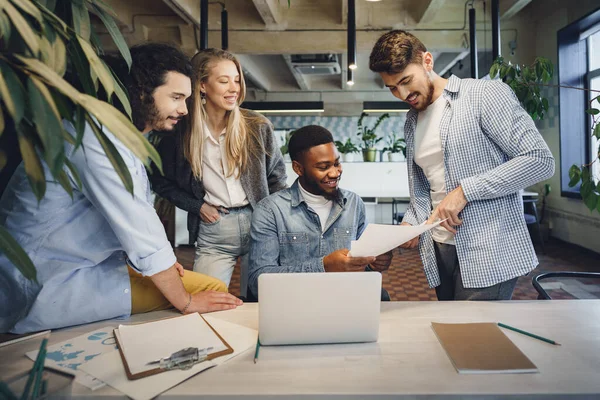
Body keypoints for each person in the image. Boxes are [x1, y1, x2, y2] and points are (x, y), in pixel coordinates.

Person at [0, 43, 242, 334]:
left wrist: (162, 262)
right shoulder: (95, 141)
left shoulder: (113, 135)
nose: (183, 109)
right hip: (47, 281)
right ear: (141, 92)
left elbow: (136, 224)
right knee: (209, 289)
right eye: (176, 97)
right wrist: (187, 302)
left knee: (198, 285)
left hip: (80, 264)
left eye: (187, 99)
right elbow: (139, 227)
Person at [369, 30, 555, 301]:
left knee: (477, 338)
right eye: (393, 87)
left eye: (406, 81)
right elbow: (423, 190)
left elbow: (539, 160)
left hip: (489, 247)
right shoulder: (411, 121)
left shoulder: (484, 95)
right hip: (439, 247)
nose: (403, 93)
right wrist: (409, 223)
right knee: (453, 334)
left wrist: (465, 191)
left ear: (427, 61)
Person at [150, 48, 287, 294]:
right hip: (215, 231)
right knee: (206, 300)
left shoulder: (257, 126)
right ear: (202, 85)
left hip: (260, 224)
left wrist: (277, 222)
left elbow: (277, 180)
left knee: (264, 301)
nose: (234, 88)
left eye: (236, 80)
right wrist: (197, 206)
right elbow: (159, 180)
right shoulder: (180, 133)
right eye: (224, 81)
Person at [248, 125, 393, 300]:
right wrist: (323, 266)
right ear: (298, 168)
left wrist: (375, 262)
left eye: (337, 163)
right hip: (297, 303)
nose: (334, 173)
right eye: (323, 167)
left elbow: (363, 263)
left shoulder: (354, 203)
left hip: (346, 299)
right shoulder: (270, 210)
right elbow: (258, 282)